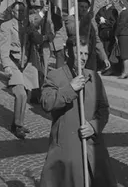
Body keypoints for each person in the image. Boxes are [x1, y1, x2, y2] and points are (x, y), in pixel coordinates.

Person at [39, 41, 116, 187]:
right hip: (67, 147)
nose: (83, 57)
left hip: (92, 147)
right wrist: (70, 88)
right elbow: (46, 103)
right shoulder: (55, 76)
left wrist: (93, 127)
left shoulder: (93, 77)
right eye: (79, 53)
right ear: (68, 53)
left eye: (86, 54)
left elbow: (104, 109)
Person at [0, 1, 40, 139]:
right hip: (14, 62)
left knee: (26, 95)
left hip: (27, 64)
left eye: (23, 11)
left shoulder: (28, 25)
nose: (21, 13)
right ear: (12, 11)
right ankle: (18, 125)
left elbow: (38, 40)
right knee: (20, 94)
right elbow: (3, 48)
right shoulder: (6, 26)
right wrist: (6, 66)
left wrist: (33, 31)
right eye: (18, 11)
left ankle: (18, 122)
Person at [65, 0, 110, 72]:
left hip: (90, 57)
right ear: (76, 7)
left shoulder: (90, 23)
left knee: (90, 79)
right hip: (77, 56)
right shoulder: (70, 19)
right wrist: (86, 20)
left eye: (86, 7)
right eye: (81, 7)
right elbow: (72, 31)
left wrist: (104, 57)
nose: (84, 9)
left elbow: (97, 40)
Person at [95, 0, 119, 75]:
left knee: (107, 50)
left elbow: (114, 22)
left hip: (109, 33)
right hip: (101, 32)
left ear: (111, 1)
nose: (105, 1)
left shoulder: (113, 11)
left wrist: (105, 21)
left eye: (107, 0)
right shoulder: (102, 9)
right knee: (101, 49)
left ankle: (107, 68)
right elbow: (97, 17)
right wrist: (99, 20)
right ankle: (101, 66)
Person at [111, 0, 128, 79]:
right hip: (124, 34)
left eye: (120, 2)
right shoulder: (126, 12)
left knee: (124, 54)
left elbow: (121, 24)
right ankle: (125, 71)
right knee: (124, 53)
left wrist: (116, 33)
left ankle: (125, 72)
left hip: (123, 35)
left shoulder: (125, 12)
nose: (119, 3)